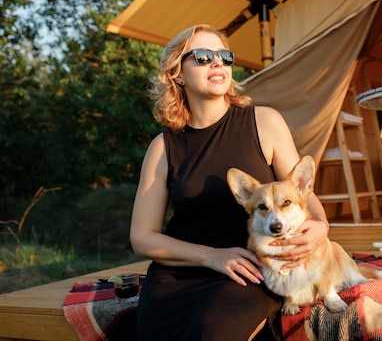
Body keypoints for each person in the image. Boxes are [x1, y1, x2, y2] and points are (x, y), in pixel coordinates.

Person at [130, 24, 330, 341]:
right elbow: (142, 237)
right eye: (204, 56)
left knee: (210, 333)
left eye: (224, 56)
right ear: (178, 74)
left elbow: (303, 194)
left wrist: (321, 225)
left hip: (251, 268)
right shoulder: (163, 148)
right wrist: (212, 256)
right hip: (178, 276)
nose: (218, 63)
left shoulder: (264, 122)